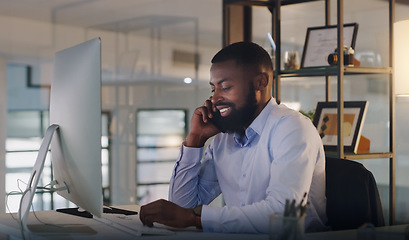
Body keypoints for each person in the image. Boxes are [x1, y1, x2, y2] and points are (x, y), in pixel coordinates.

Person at [139, 41, 327, 233]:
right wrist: (195, 140)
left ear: (260, 82)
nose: (215, 98)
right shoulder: (224, 138)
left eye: (226, 87)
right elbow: (182, 205)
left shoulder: (291, 128)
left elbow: (282, 215)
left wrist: (194, 218)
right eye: (213, 89)